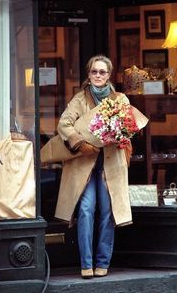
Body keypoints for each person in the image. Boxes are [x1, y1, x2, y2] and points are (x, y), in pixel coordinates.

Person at [55, 54, 133, 279]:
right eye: (94, 72)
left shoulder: (120, 100)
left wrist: (121, 135)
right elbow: (64, 123)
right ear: (88, 75)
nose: (98, 75)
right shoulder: (79, 99)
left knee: (108, 212)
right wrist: (79, 142)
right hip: (85, 163)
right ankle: (86, 263)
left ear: (109, 75)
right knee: (87, 210)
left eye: (102, 72)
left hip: (111, 164)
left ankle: (103, 262)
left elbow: (129, 125)